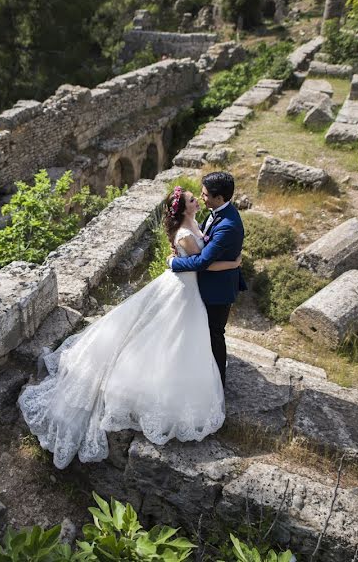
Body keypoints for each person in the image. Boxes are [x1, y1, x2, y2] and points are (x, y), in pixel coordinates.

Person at [18, 185, 241, 470]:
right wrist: (233, 262)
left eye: (198, 196)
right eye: (192, 199)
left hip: (186, 288)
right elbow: (202, 264)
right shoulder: (185, 234)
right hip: (184, 288)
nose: (198, 199)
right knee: (170, 335)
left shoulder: (194, 223)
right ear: (185, 209)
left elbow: (202, 253)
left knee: (173, 334)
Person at [168, 171, 246, 388]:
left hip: (217, 290)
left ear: (219, 198)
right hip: (203, 285)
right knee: (201, 332)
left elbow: (202, 261)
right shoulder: (217, 211)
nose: (201, 198)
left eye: (204, 195)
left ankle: (217, 384)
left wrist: (173, 264)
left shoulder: (227, 225)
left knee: (214, 336)